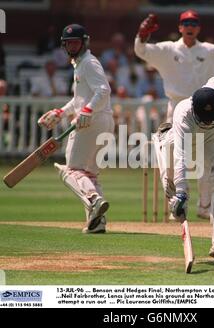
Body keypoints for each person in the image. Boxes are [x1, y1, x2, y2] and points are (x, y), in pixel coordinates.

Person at [134, 10, 214, 220]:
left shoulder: (209, 50)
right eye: (186, 22)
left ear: (198, 28)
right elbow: (141, 51)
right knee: (174, 157)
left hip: (205, 109)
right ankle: (176, 201)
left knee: (209, 159)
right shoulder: (167, 49)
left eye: (194, 23)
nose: (190, 26)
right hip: (177, 111)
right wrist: (142, 35)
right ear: (180, 27)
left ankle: (204, 206)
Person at [152, 53, 214, 259]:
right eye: (204, 119)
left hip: (209, 140)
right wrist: (181, 191)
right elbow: (181, 154)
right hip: (172, 142)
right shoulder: (183, 113)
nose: (207, 121)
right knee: (173, 185)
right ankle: (173, 193)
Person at [38, 24, 114, 234]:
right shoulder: (80, 64)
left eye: (76, 42)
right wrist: (61, 112)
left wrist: (87, 111)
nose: (72, 46)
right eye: (68, 42)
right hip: (100, 120)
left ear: (84, 42)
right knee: (90, 174)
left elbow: (104, 90)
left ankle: (93, 199)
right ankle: (97, 222)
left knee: (71, 171)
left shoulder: (89, 63)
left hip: (92, 121)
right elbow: (79, 99)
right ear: (64, 45)